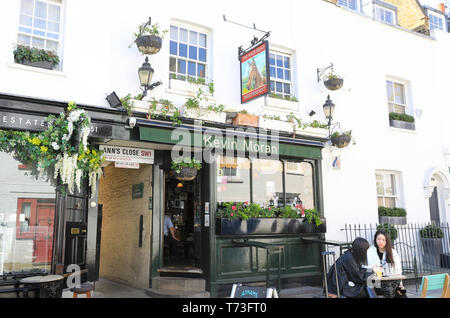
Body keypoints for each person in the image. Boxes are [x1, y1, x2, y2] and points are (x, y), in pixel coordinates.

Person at [366, 230, 406, 298]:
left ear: (387, 241)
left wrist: (401, 285)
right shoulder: (370, 251)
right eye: (378, 239)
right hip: (377, 283)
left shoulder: (392, 252)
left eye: (383, 240)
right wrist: (373, 269)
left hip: (392, 282)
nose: (380, 242)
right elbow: (367, 268)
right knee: (390, 291)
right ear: (375, 239)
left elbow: (398, 271)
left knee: (401, 294)